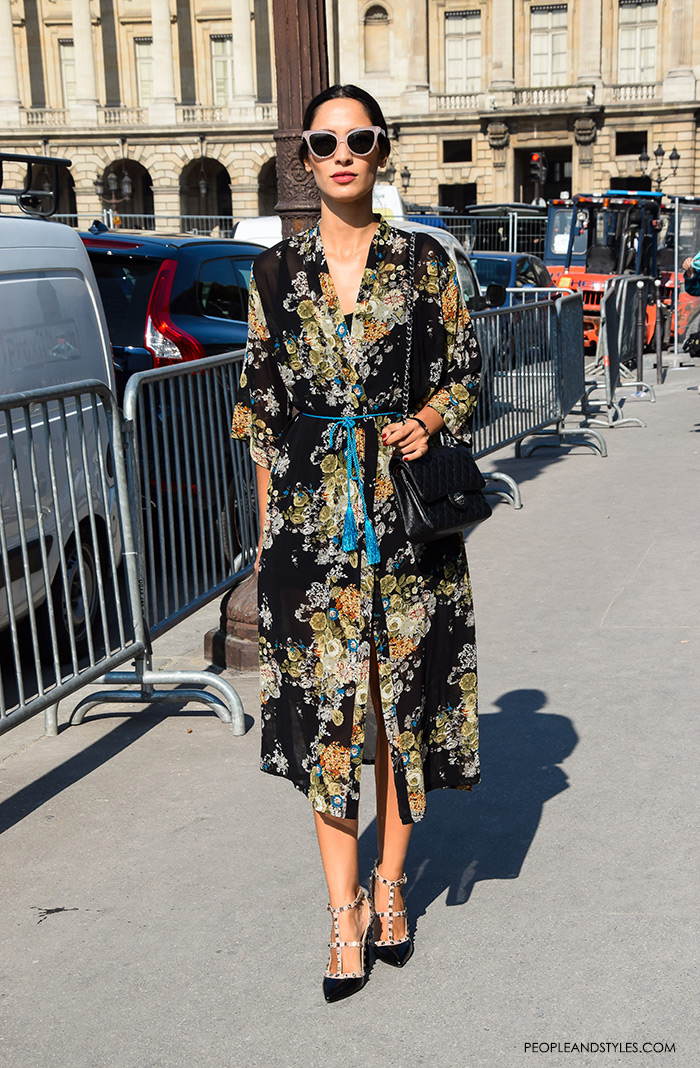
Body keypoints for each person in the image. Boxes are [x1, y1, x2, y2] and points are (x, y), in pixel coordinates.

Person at [230, 84, 482, 1003]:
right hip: (309, 525)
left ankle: (390, 887)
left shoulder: (423, 262)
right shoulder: (272, 275)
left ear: (383, 151)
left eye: (360, 138)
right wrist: (265, 541)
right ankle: (341, 913)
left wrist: (426, 417)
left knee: (397, 711)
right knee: (328, 721)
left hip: (407, 523)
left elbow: (463, 375)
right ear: (304, 154)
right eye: (326, 140)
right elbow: (261, 411)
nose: (343, 153)